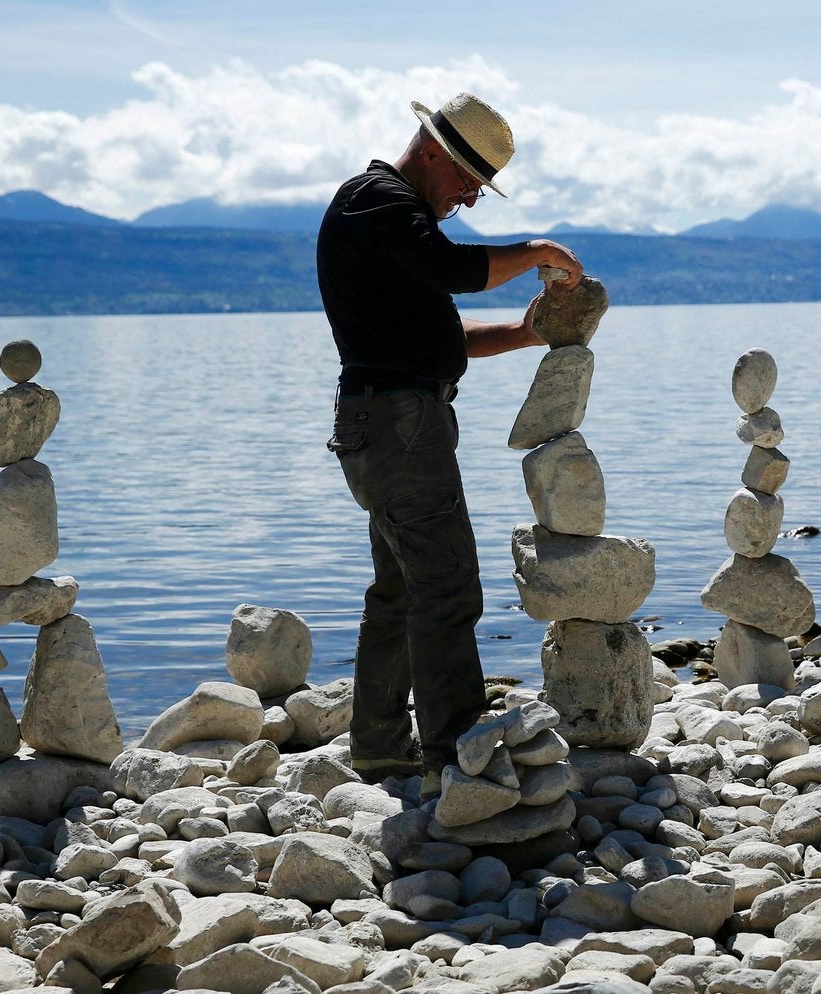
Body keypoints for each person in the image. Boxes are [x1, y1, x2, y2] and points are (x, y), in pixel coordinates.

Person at [316, 92, 582, 797]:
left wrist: (526, 335)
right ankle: (456, 749)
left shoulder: (389, 223)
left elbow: (442, 341)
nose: (469, 197)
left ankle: (378, 747)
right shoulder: (379, 201)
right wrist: (537, 251)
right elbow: (452, 269)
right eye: (469, 180)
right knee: (447, 584)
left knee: (401, 588)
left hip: (385, 418)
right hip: (399, 424)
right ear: (433, 151)